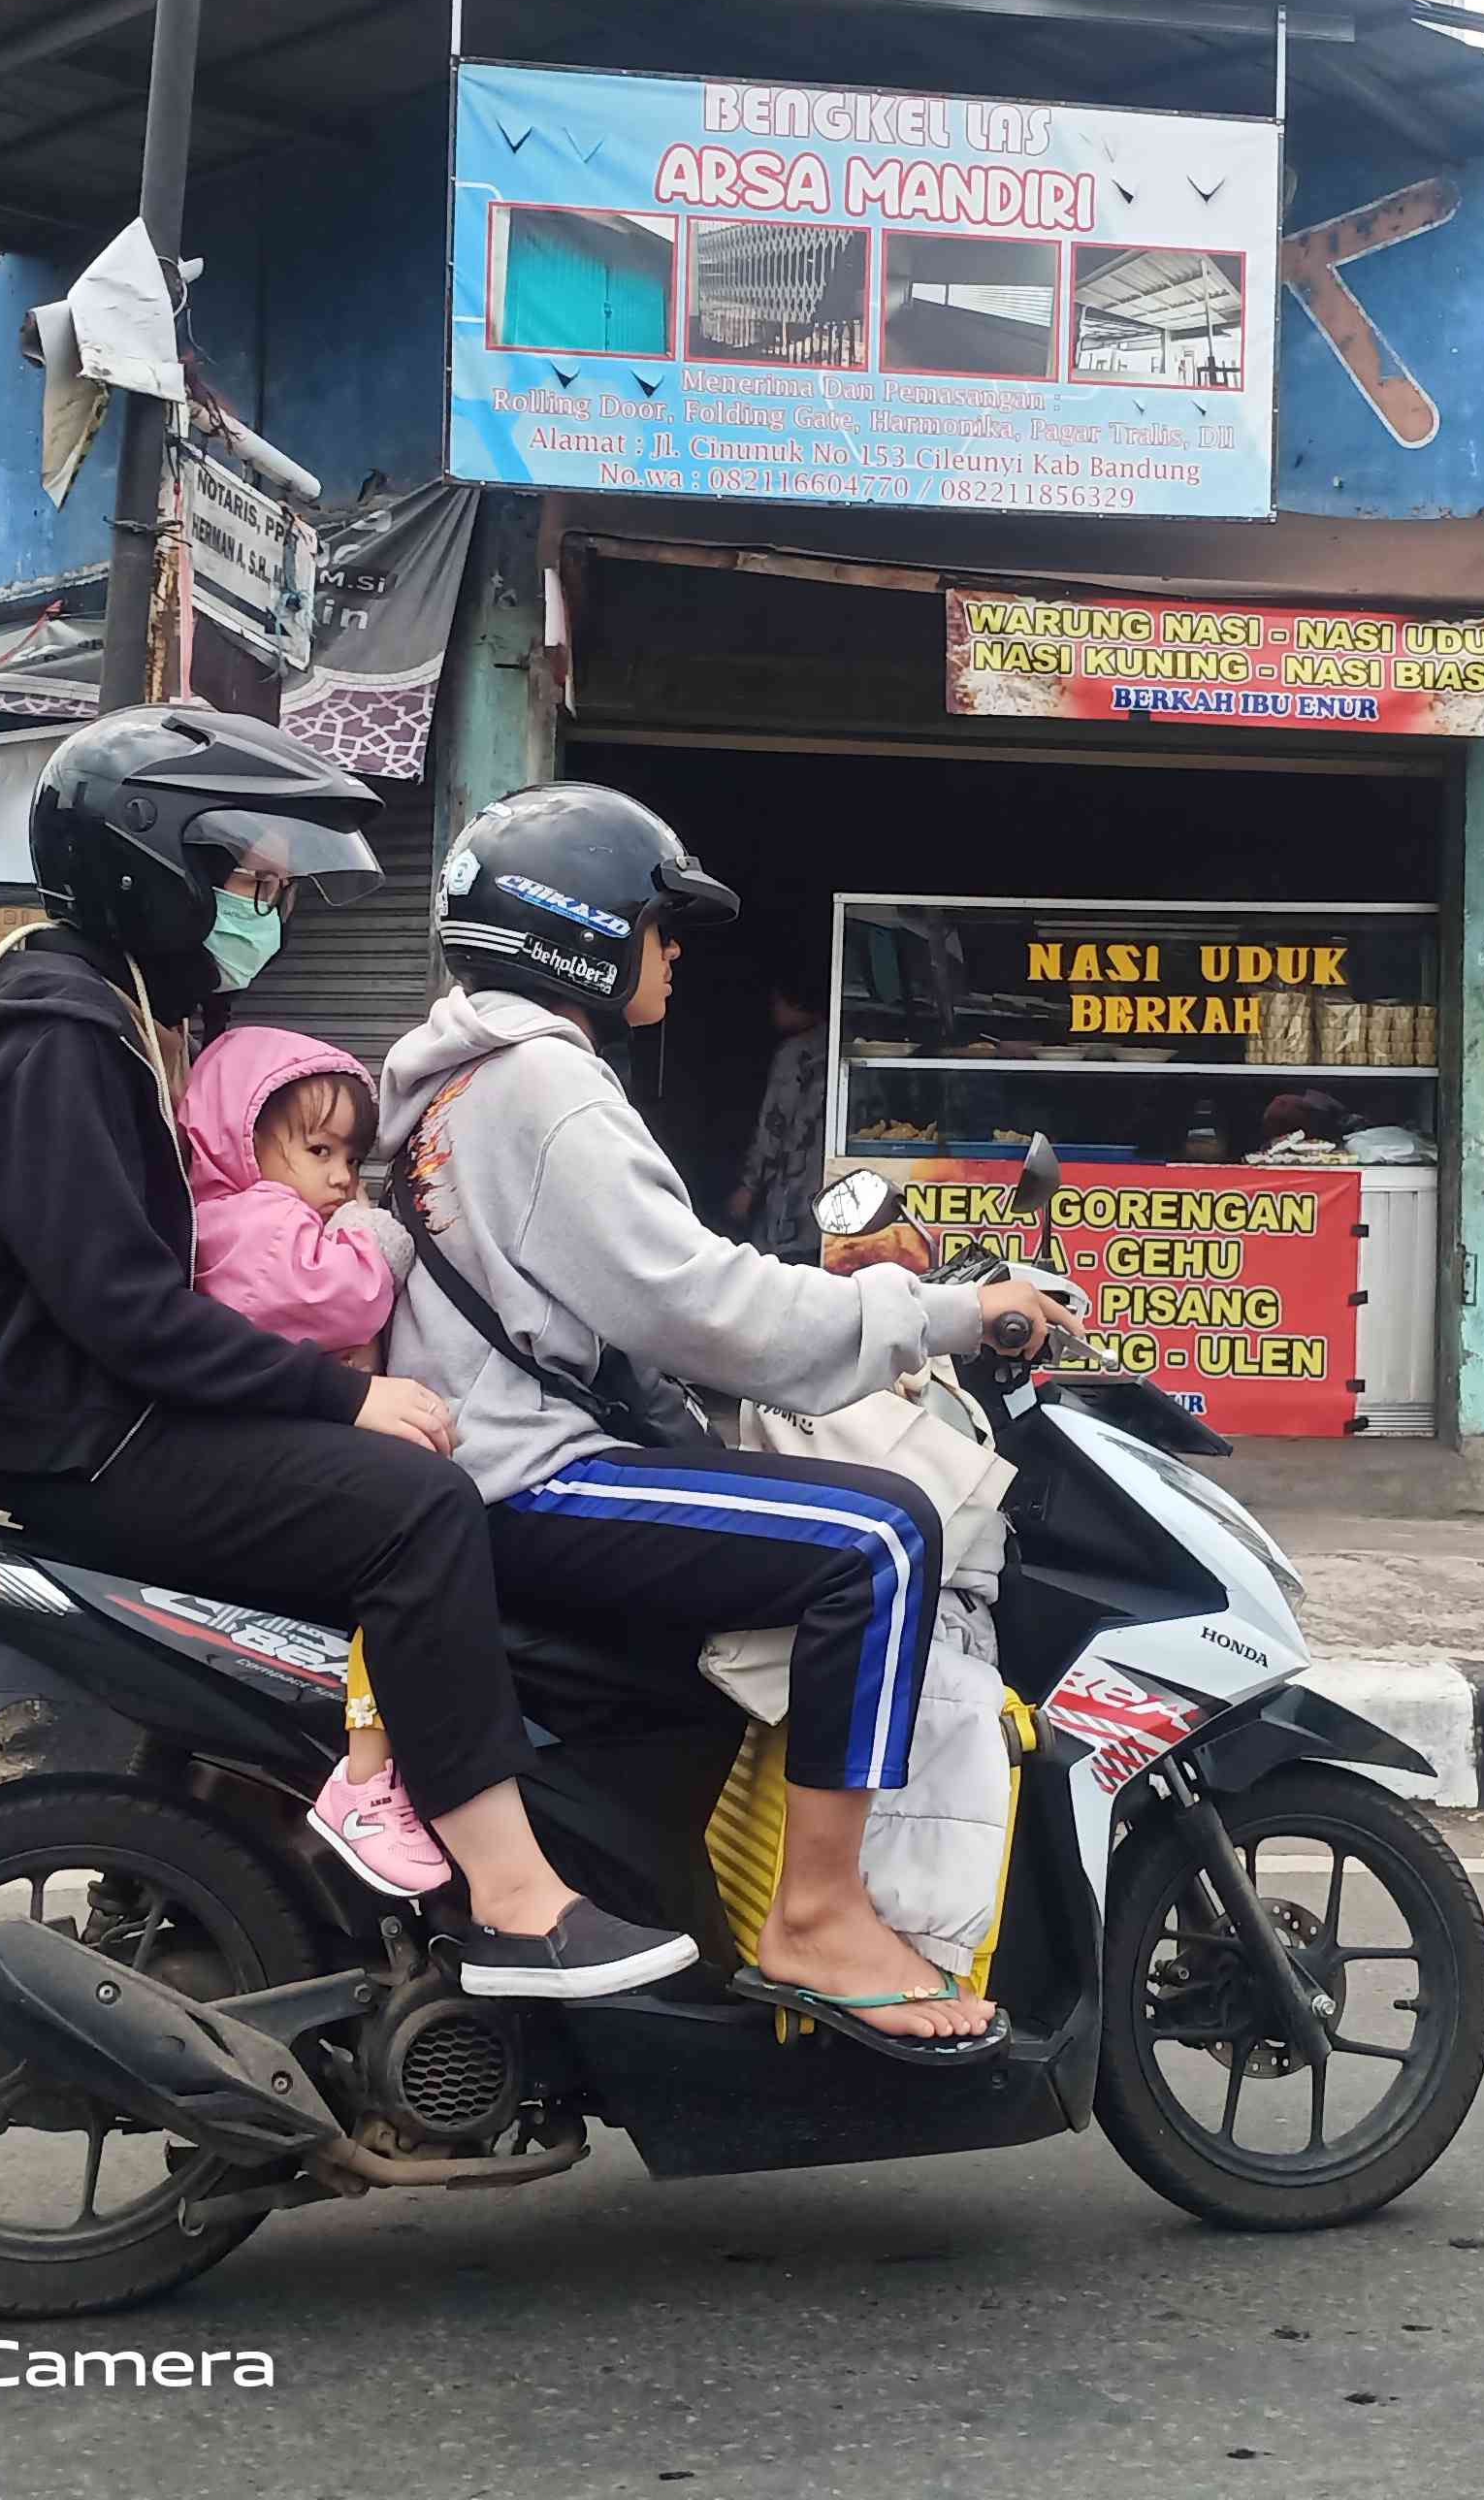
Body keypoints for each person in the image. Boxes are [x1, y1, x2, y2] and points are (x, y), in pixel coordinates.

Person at [0, 706, 695, 2004]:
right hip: (86, 1443)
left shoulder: (91, 1014)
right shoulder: (64, 1042)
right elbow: (130, 1311)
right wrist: (342, 1394)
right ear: (151, 863)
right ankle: (515, 1897)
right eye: (248, 880)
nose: (267, 908)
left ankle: (291, 1827)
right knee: (418, 1507)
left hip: (83, 1427)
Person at [382, 783, 1074, 2057]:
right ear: (577, 931)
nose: (678, 952)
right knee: (880, 1538)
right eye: (660, 924)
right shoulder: (545, 1087)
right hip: (532, 1480)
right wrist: (946, 1319)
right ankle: (817, 1913)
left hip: (489, 1461)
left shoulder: (455, 1073)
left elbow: (635, 1295)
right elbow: (711, 1307)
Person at [174, 1023, 444, 1899]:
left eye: (350, 1156)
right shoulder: (250, 1219)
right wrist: (382, 1238)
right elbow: (338, 1296)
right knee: (405, 1552)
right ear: (235, 1140)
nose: (338, 1176)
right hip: (289, 1455)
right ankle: (369, 1775)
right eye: (317, 1149)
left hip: (272, 1451)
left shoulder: (242, 1212)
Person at [725, 974, 832, 1258]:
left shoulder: (794, 1054)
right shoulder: (837, 1045)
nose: (773, 1010)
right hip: (828, 1191)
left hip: (793, 1194)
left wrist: (747, 1187)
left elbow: (773, 1125)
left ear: (795, 1003)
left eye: (777, 1002)